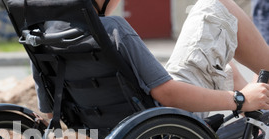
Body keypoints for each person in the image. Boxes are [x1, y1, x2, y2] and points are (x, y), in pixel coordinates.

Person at [34, 0, 269, 121]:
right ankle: (254, 103)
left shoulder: (45, 36)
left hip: (112, 128)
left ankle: (259, 118)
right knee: (216, 6)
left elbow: (48, 110)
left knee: (227, 68)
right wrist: (240, 100)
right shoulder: (113, 30)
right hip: (166, 121)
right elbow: (167, 94)